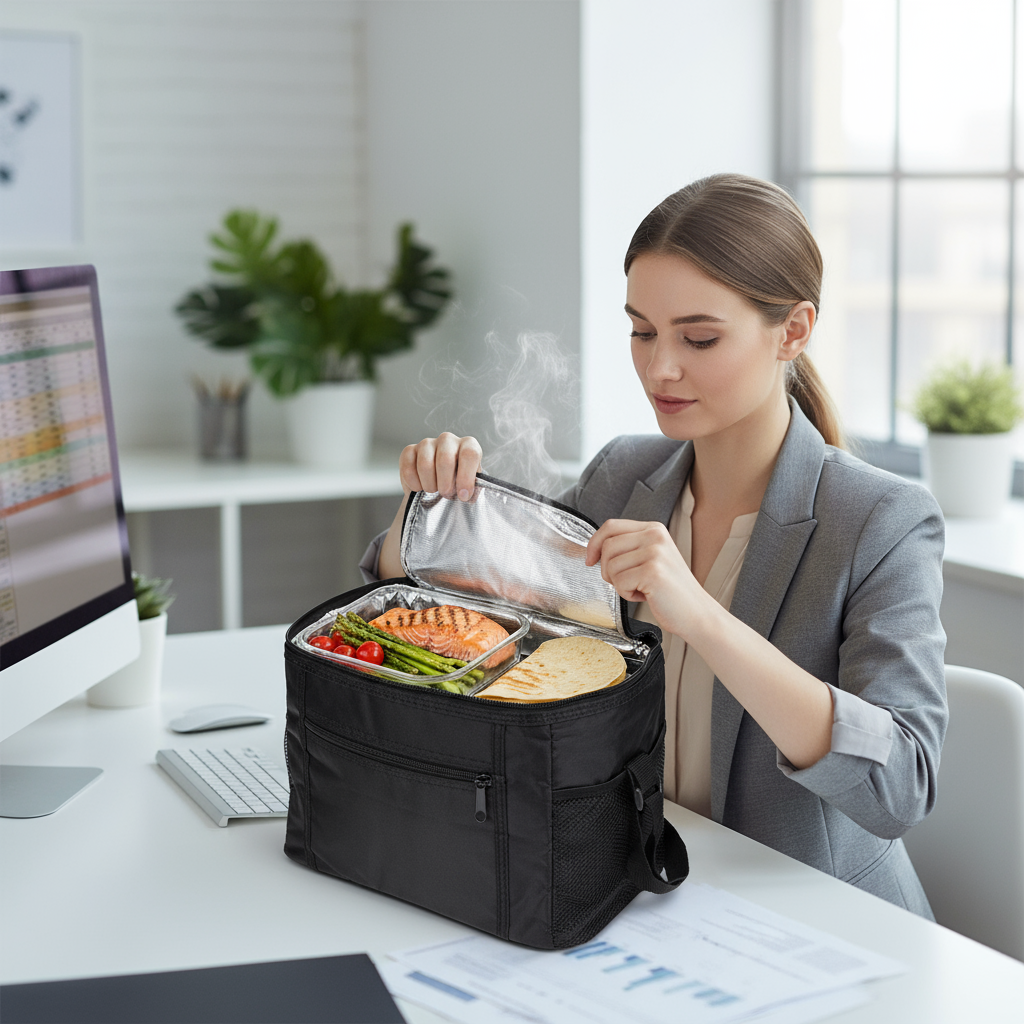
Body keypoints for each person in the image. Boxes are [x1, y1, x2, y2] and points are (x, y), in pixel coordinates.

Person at [362, 174, 947, 918]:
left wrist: (700, 616)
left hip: (819, 919)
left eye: (698, 338)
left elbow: (900, 786)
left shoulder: (882, 520)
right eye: (642, 331)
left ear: (793, 331)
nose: (659, 367)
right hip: (648, 893)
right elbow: (476, 614)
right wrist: (429, 515)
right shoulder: (623, 475)